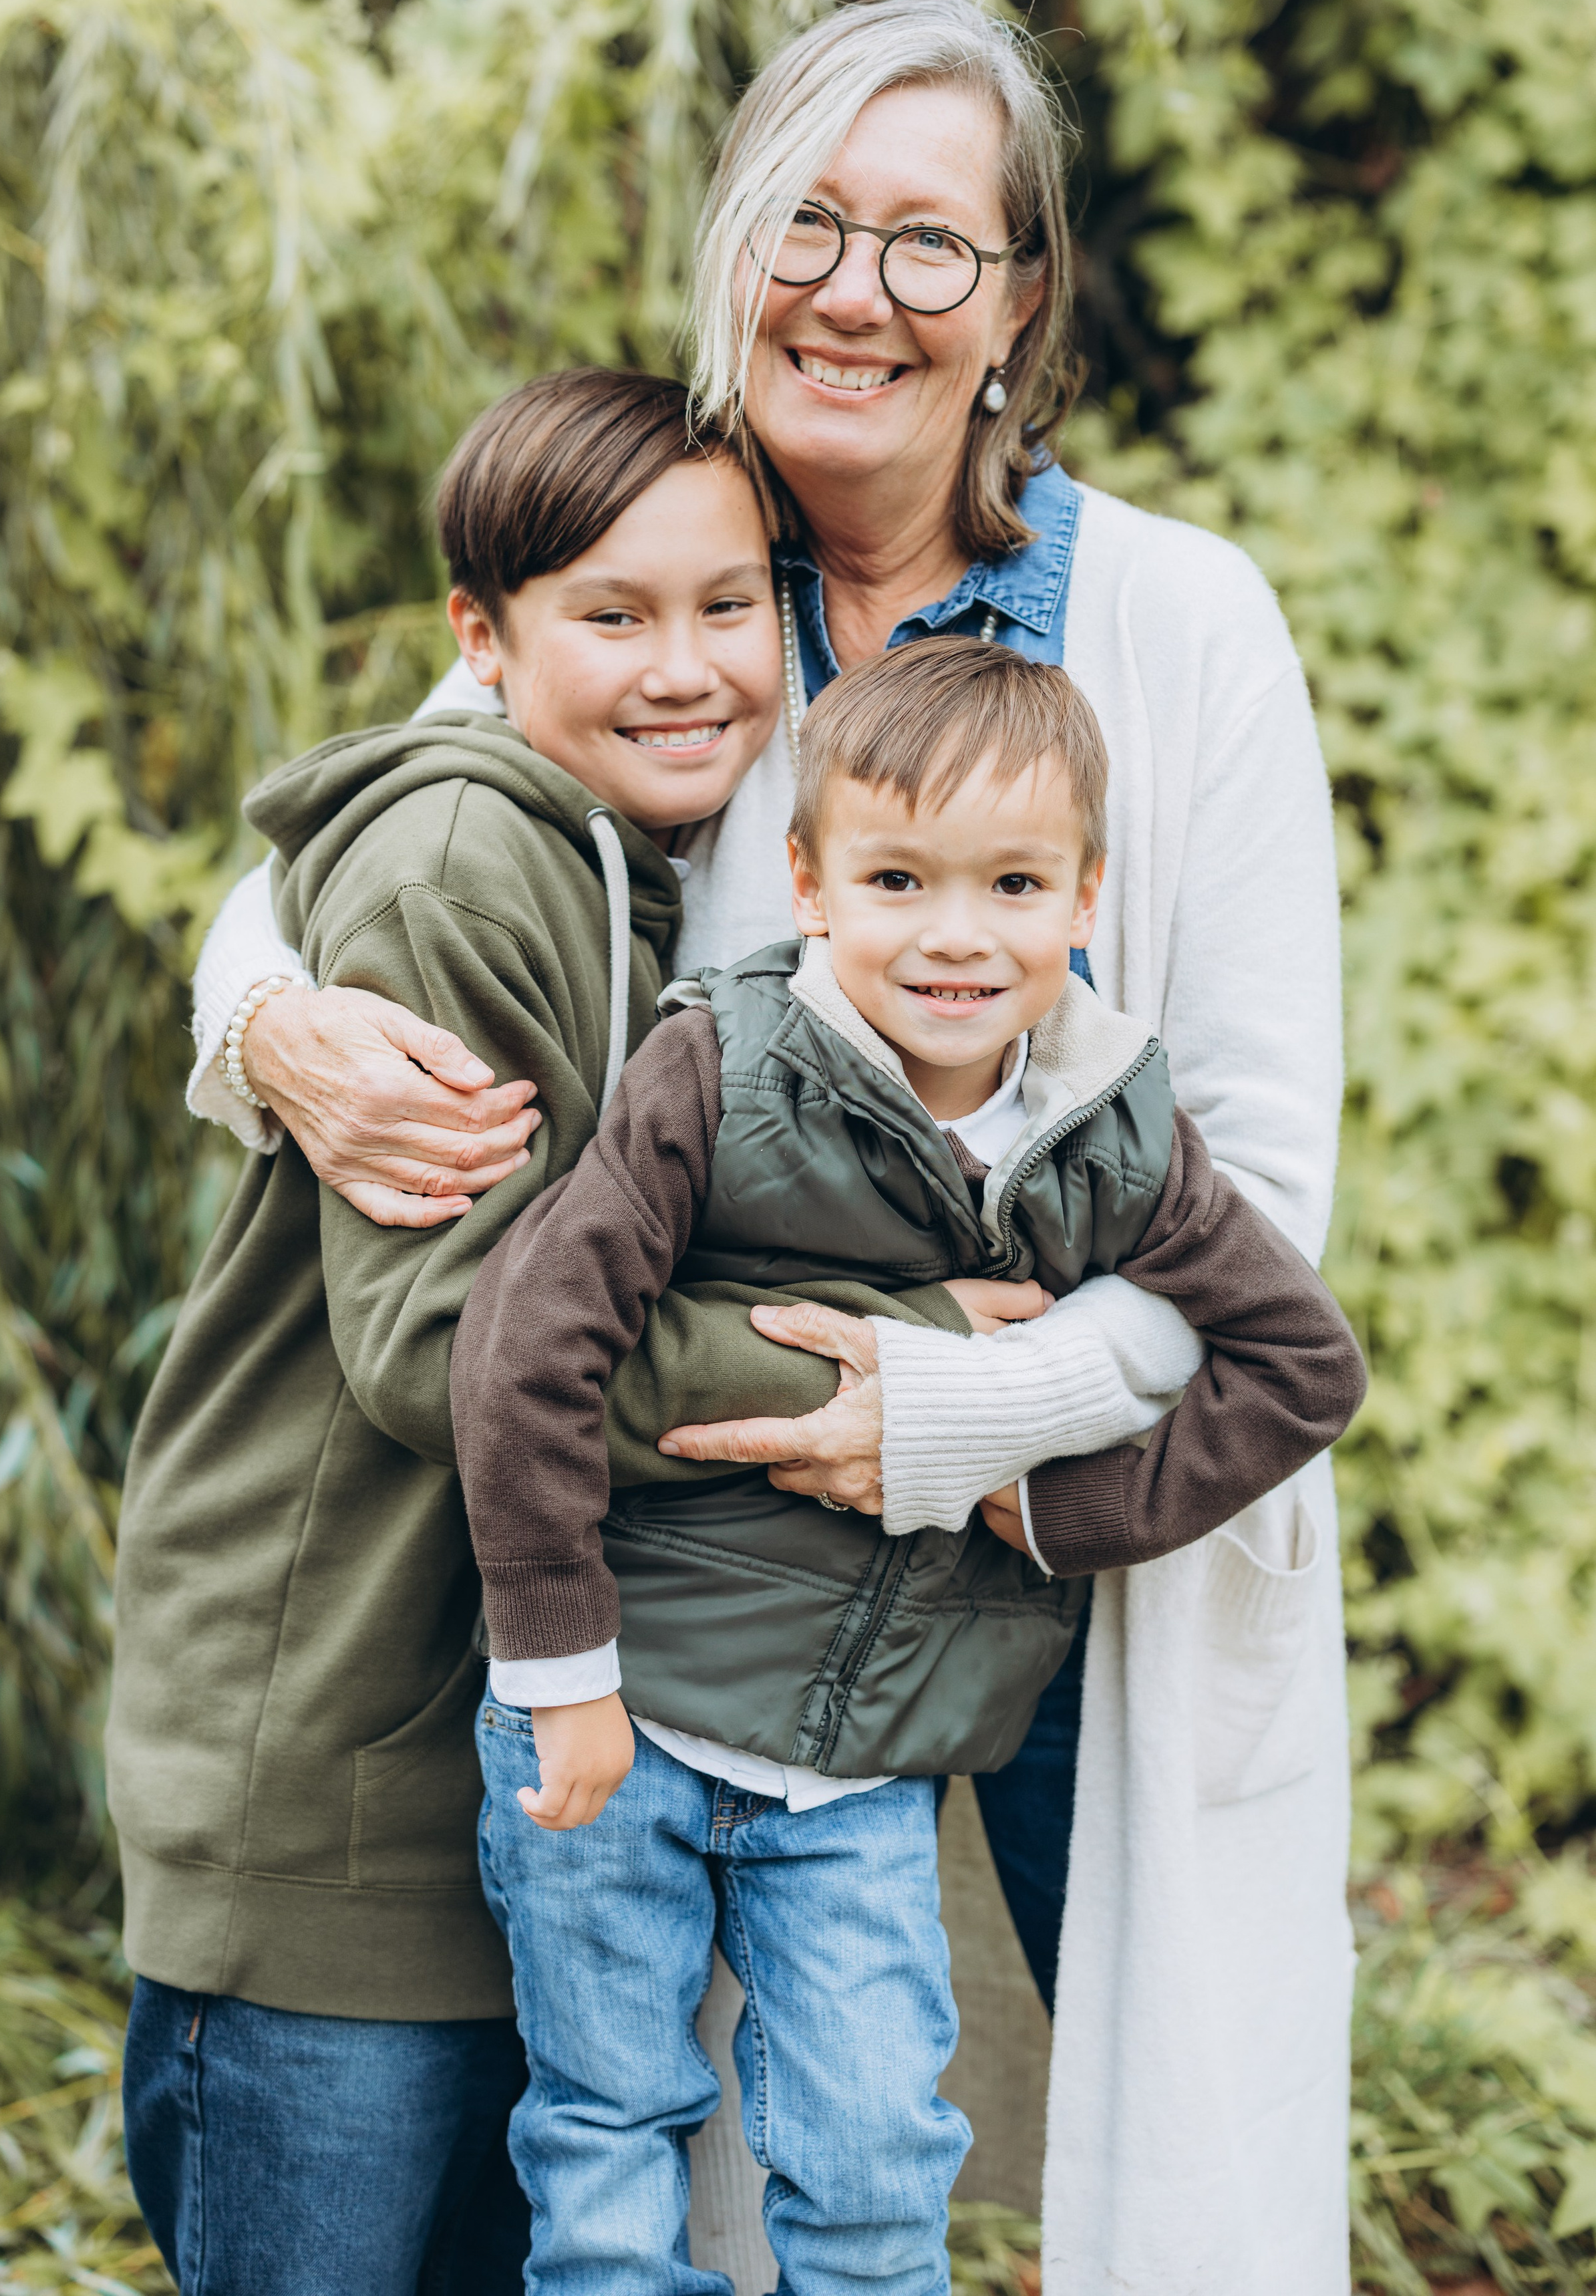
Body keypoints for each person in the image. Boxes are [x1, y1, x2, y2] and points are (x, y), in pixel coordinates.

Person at [186, 0, 1351, 2295]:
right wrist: (264, 1017)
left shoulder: (1182, 628)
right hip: (724, 1585)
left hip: (1074, 1523)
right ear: (736, 253)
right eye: (807, 222)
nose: (859, 288)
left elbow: (1261, 1198)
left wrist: (947, 1414)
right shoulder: (676, 580)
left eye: (935, 244)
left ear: (1022, 302)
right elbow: (370, 838)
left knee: (1136, 2192)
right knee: (735, 2177)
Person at [112, 370, 969, 2296]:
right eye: (613, 613)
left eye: (732, 605)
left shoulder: (639, 883)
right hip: (337, 1786)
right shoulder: (464, 869)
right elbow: (454, 1350)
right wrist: (898, 1379)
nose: (689, 669)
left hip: (522, 1789)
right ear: (477, 644)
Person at [450, 638, 1364, 2295]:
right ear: (805, 883)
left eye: (1011, 880)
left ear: (1084, 892)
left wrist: (1037, 1501)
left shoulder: (1114, 1134)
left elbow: (1301, 1366)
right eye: (895, 878)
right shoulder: (717, 1074)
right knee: (605, 2141)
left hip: (863, 1775)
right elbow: (526, 1348)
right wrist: (557, 1663)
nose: (954, 933)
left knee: (876, 2166)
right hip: (619, 1711)